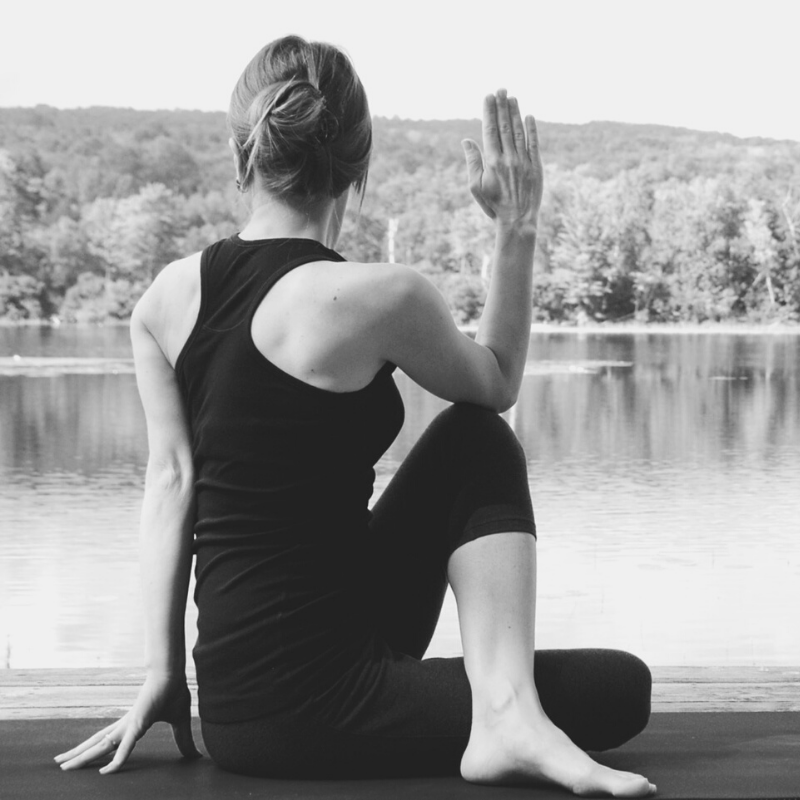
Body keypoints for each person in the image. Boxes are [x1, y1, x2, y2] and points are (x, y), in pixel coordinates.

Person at [56, 35, 655, 797]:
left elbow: (171, 487)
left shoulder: (164, 300)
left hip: (236, 709)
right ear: (358, 166)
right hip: (318, 711)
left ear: (243, 155)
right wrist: (516, 228)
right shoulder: (378, 297)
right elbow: (497, 381)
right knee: (615, 684)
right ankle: (506, 714)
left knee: (471, 442)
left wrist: (164, 672)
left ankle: (506, 712)